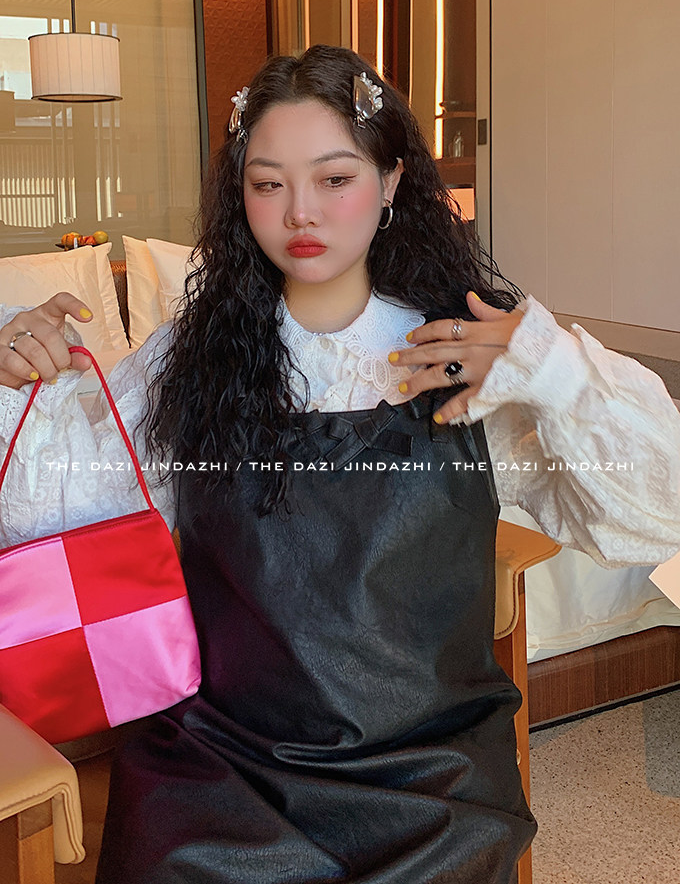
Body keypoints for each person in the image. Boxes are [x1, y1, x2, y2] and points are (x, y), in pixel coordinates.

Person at [1, 44, 679, 884]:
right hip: (222, 764)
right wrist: (22, 383)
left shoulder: (464, 354)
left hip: (430, 778)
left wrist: (557, 372)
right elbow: (54, 514)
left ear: (390, 181)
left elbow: (655, 514)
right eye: (268, 183)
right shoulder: (193, 359)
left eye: (334, 177)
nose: (300, 212)